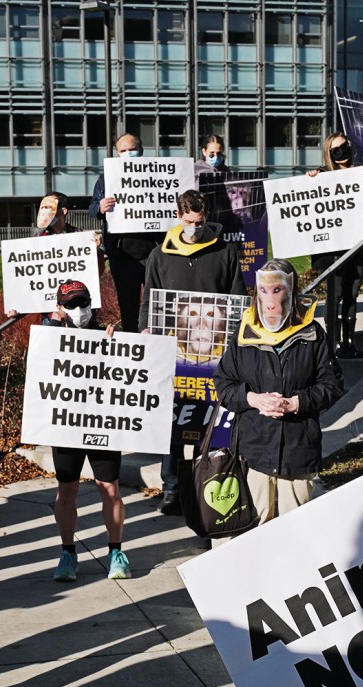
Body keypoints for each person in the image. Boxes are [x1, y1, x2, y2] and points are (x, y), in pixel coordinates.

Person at [9, 279, 131, 581]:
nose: (79, 310)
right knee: (66, 491)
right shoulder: (48, 335)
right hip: (65, 426)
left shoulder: (105, 333)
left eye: (84, 303)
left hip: (101, 423)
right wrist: (52, 325)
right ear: (59, 307)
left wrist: (119, 342)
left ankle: (116, 550)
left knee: (110, 489)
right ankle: (67, 552)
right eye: (72, 304)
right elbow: (35, 371)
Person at [213, 259, 344, 525]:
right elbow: (223, 385)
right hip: (253, 450)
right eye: (264, 291)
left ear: (292, 290)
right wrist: (253, 399)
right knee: (254, 528)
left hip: (298, 449)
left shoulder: (312, 334)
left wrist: (296, 403)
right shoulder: (244, 334)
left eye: (277, 290)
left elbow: (332, 385)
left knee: (295, 528)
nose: (270, 302)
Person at [140, 189, 246, 515]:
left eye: (200, 222)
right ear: (178, 216)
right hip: (174, 351)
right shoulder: (160, 255)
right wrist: (146, 328)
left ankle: (210, 483)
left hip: (215, 352)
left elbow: (237, 299)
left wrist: (238, 339)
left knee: (209, 421)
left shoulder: (225, 252)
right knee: (173, 420)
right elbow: (150, 298)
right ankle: (171, 488)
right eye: (189, 222)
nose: (195, 228)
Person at [307, 134, 363, 359]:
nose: (342, 151)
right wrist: (312, 179)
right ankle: (332, 343)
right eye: (335, 148)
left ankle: (349, 342)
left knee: (352, 294)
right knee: (334, 295)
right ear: (329, 153)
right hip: (334, 248)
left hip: (359, 244)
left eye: (344, 146)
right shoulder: (324, 176)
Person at [89, 132, 163, 332]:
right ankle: (133, 345)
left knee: (157, 306)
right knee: (128, 305)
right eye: (123, 151)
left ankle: (157, 345)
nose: (128, 154)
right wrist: (100, 207)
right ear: (116, 153)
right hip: (122, 255)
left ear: (141, 151)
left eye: (132, 150)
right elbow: (92, 207)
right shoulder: (106, 178)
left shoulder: (157, 174)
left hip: (153, 253)